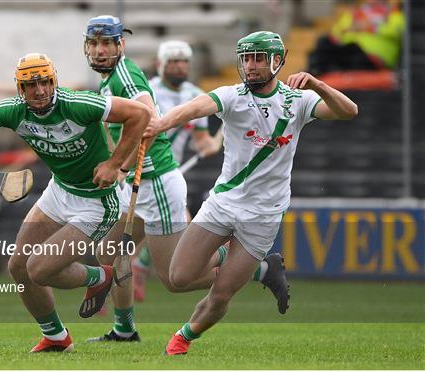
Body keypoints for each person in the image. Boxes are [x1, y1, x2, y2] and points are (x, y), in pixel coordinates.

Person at [0, 52, 150, 353]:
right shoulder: (13, 111)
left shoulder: (78, 103)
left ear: (54, 82)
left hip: (96, 201)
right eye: (30, 85)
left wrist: (117, 164)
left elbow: (140, 114)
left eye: (45, 83)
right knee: (19, 267)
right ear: (20, 88)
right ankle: (56, 337)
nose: (39, 91)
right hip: (59, 192)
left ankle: (101, 275)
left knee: (40, 269)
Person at [144, 31, 358, 355]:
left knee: (222, 294)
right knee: (178, 276)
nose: (251, 66)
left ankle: (182, 339)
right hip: (224, 203)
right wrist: (161, 124)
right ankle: (257, 266)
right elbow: (195, 107)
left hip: (264, 215)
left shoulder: (297, 101)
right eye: (246, 59)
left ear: (277, 60)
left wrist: (318, 84)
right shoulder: (232, 96)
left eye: (258, 58)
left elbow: (349, 111)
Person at [82, 16, 291, 343]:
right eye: (94, 44)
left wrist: (117, 164)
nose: (99, 51)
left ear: (121, 44)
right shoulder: (110, 79)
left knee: (175, 279)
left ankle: (257, 268)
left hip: (159, 181)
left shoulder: (125, 76)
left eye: (107, 43)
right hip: (141, 179)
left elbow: (147, 117)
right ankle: (124, 330)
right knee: (110, 252)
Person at [131, 40, 221, 302]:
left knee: (180, 232)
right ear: (160, 64)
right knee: (132, 240)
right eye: (173, 61)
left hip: (170, 175)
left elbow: (202, 141)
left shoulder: (197, 94)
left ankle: (137, 268)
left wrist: (212, 144)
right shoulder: (148, 91)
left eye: (183, 62)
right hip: (143, 171)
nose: (179, 66)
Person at [308, 0, 405, 76]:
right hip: (351, 50)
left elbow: (399, 30)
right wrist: (354, 29)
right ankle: (313, 72)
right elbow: (337, 32)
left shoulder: (393, 14)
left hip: (374, 58)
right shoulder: (356, 14)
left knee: (351, 50)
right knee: (324, 42)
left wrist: (371, 27)